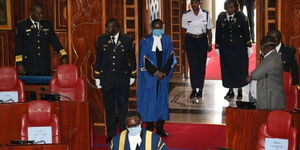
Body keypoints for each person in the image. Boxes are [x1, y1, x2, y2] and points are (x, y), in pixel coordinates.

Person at [94, 18, 136, 143]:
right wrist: (97, 76)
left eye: (110, 27)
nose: (107, 30)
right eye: (106, 27)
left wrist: (133, 75)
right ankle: (111, 134)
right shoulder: (102, 39)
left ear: (117, 27)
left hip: (122, 79)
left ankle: (124, 133)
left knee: (123, 108)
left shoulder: (127, 40)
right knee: (109, 108)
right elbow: (99, 59)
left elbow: (132, 58)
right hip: (107, 79)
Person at [137, 19, 176, 137]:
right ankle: (149, 126)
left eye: (160, 28)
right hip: (150, 76)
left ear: (163, 28)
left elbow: (171, 57)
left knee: (161, 102)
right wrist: (155, 72)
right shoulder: (145, 41)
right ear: (152, 28)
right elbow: (144, 59)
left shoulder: (167, 39)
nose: (158, 30)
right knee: (149, 101)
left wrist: (163, 72)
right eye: (156, 28)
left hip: (163, 76)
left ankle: (160, 128)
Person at [15, 2, 68, 76]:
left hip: (44, 65)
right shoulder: (22, 25)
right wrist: (19, 64)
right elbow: (18, 47)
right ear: (31, 12)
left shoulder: (47, 24)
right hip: (29, 65)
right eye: (38, 14)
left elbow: (55, 42)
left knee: (45, 87)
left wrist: (64, 55)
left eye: (42, 13)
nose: (41, 16)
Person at [215, 0, 252, 100]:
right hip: (226, 49)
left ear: (235, 7)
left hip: (239, 48)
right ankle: (230, 89)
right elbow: (218, 32)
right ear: (225, 8)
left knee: (240, 69)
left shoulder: (242, 17)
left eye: (231, 7)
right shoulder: (221, 17)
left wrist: (249, 45)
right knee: (228, 69)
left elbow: (246, 32)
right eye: (227, 7)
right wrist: (217, 46)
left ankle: (239, 89)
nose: (229, 9)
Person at [182, 0, 213, 99]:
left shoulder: (206, 14)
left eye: (196, 3)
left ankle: (200, 89)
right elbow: (184, 31)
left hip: (202, 41)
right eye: (192, 3)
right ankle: (194, 89)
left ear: (199, 3)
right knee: (193, 65)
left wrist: (209, 43)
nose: (194, 5)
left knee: (201, 66)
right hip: (190, 41)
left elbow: (209, 30)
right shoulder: (186, 15)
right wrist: (184, 44)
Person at [247, 36, 285, 110]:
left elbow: (255, 75)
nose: (260, 50)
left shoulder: (271, 59)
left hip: (271, 100)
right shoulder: (272, 57)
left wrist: (250, 77)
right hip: (270, 99)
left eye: (261, 47)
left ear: (265, 47)